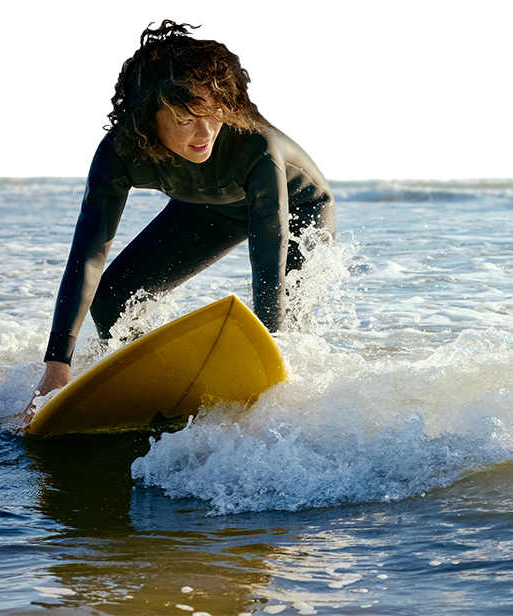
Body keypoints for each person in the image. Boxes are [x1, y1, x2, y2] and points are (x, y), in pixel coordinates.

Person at [19, 20, 336, 431]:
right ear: (148, 119)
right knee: (113, 298)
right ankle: (157, 385)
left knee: (283, 323)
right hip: (208, 206)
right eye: (185, 120)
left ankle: (290, 412)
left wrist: (268, 353)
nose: (205, 133)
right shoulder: (119, 153)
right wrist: (57, 366)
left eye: (213, 112)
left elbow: (268, 255)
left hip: (297, 211)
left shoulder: (255, 148)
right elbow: (89, 252)